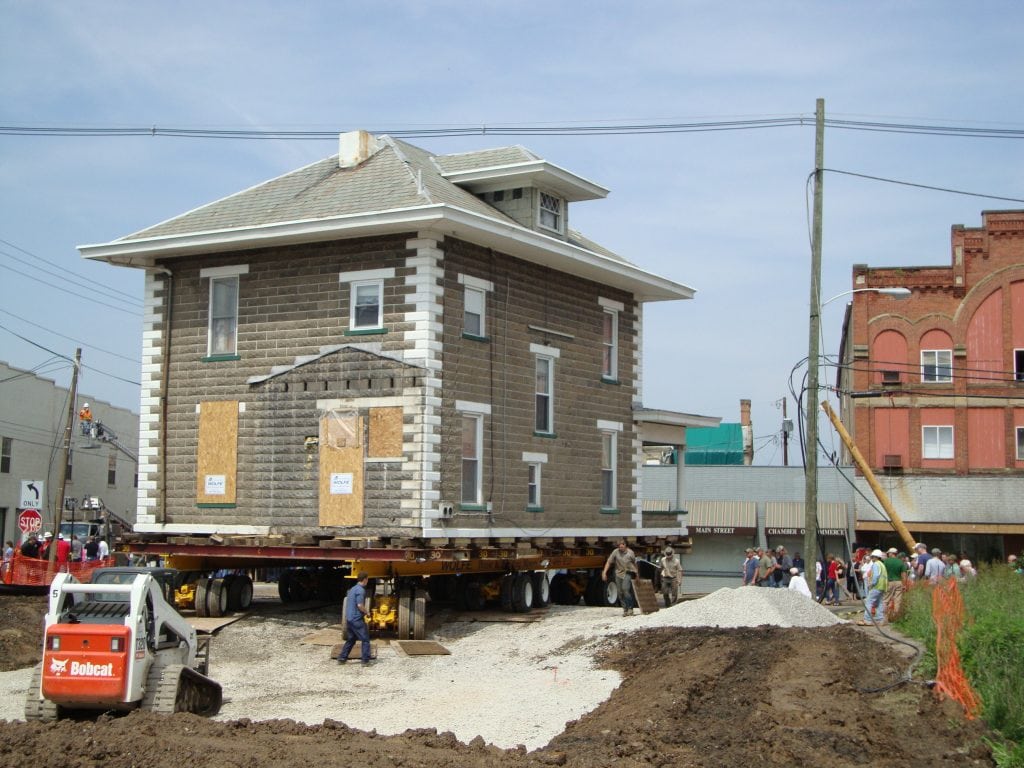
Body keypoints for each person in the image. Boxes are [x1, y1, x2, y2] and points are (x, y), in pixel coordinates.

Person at [337, 572, 373, 665]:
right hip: (356, 619)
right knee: (365, 639)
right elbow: (360, 605)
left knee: (351, 639)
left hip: (349, 618)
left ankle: (342, 658)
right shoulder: (361, 590)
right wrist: (367, 612)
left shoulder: (352, 589)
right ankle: (365, 660)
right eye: (367, 579)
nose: (367, 581)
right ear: (365, 579)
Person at [602, 539, 638, 616]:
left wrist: (637, 575)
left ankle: (630, 608)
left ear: (626, 545)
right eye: (619, 545)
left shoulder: (630, 553)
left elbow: (635, 564)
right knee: (620, 592)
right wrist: (604, 572)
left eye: (622, 544)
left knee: (625, 589)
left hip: (628, 572)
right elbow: (609, 562)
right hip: (618, 573)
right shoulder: (615, 552)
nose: (621, 546)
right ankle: (625, 609)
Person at [858, 550, 888, 626]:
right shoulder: (882, 564)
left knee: (869, 602)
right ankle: (879, 620)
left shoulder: (875, 564)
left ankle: (867, 620)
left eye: (872, 557)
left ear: (875, 557)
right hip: (882, 587)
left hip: (876, 586)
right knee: (879, 603)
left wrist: (872, 584)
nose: (871, 558)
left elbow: (876, 576)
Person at [882, 547, 909, 620]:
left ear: (891, 553)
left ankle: (884, 617)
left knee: (886, 600)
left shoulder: (886, 561)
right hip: (898, 582)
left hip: (889, 582)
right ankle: (895, 617)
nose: (888, 554)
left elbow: (883, 573)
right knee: (897, 600)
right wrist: (904, 585)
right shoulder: (900, 562)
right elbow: (904, 575)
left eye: (889, 553)